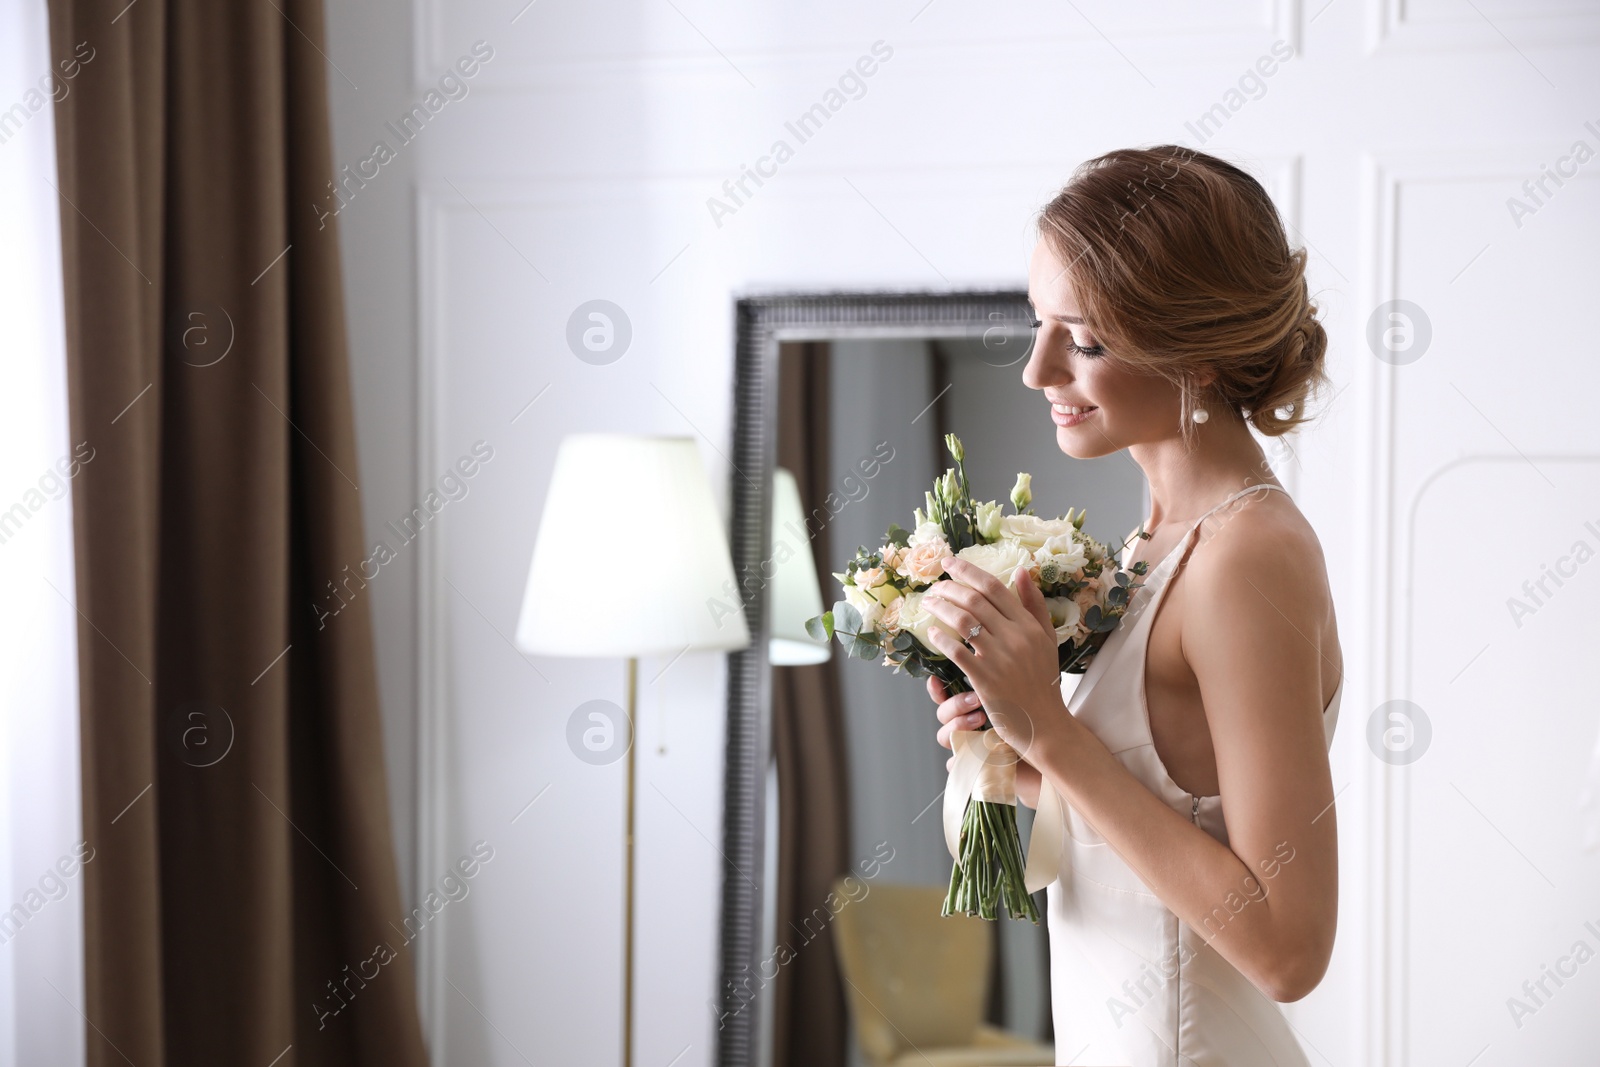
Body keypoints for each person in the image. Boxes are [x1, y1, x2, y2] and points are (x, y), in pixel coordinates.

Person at [920, 144, 1343, 1065]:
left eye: (1084, 340)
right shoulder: (1155, 539)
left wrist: (1053, 733)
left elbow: (1287, 945)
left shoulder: (1248, 559)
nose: (1036, 371)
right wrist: (1010, 747)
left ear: (1191, 349)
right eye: (1039, 324)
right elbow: (1161, 829)